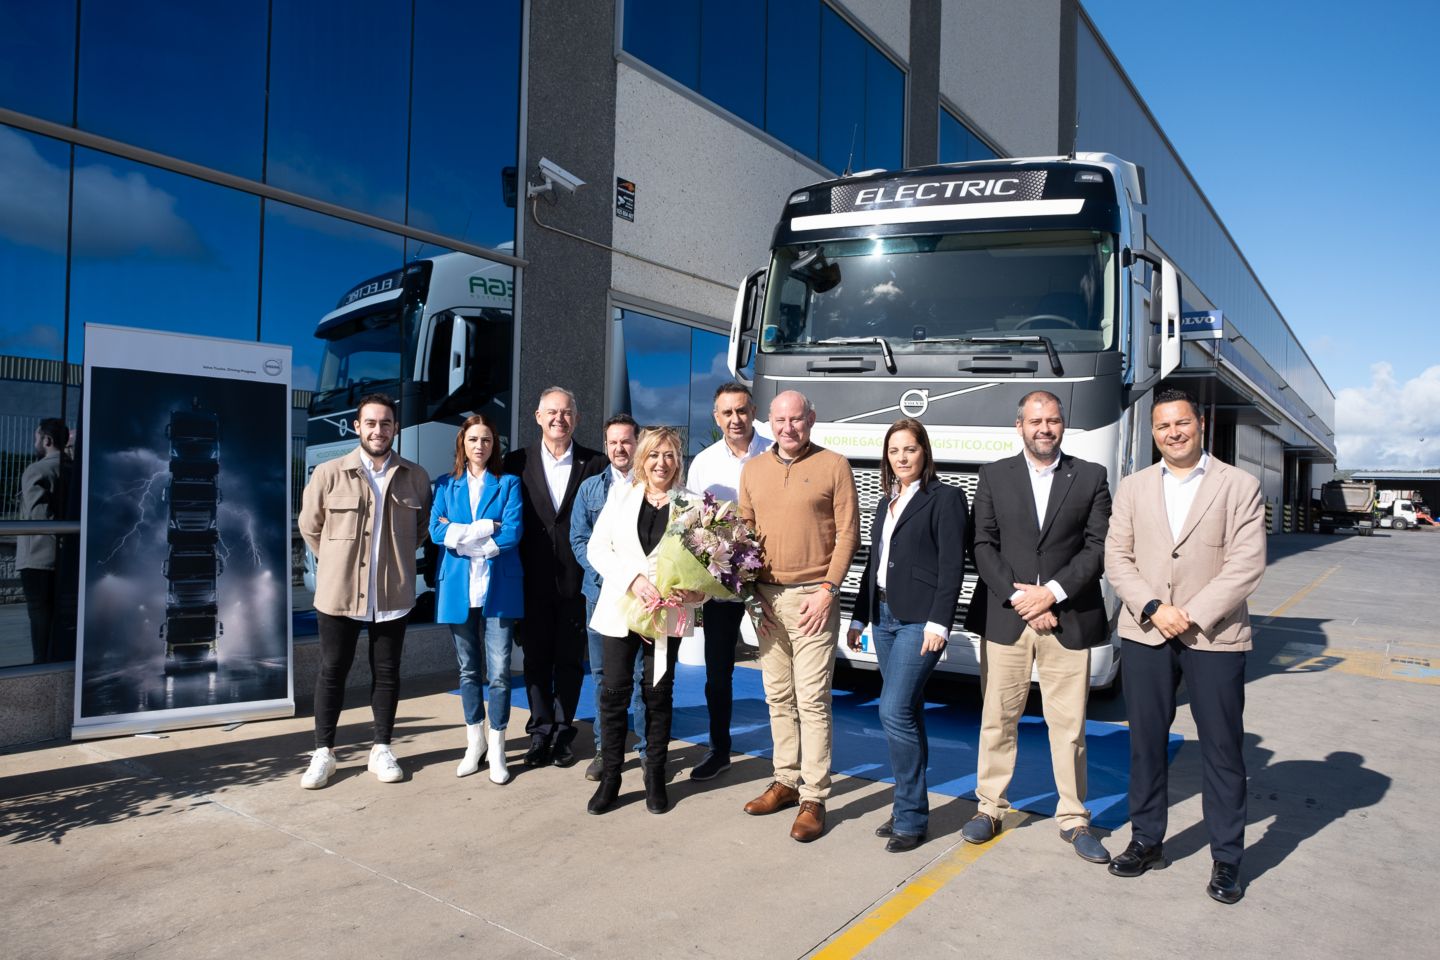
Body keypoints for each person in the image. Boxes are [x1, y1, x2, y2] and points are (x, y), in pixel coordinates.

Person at [1103, 387, 1266, 904]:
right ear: (1153, 433)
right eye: (1162, 426)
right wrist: (1154, 608)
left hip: (1214, 636)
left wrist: (1188, 614)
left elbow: (1246, 565)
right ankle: (1146, 840)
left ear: (1200, 424)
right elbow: (1117, 558)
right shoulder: (1133, 487)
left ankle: (1227, 858)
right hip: (1146, 631)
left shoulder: (1239, 485)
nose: (1173, 433)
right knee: (1146, 743)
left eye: (1181, 423)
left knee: (1222, 749)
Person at [961, 391, 1113, 864]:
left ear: (1062, 424)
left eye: (1052, 420)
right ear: (1019, 426)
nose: (1044, 428)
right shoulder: (994, 475)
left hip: (1068, 618)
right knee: (997, 718)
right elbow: (982, 544)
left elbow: (1098, 547)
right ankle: (990, 807)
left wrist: (1053, 593)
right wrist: (1023, 598)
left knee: (1068, 726)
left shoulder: (1091, 476)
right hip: (1007, 617)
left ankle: (1074, 817)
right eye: (1035, 421)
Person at [738, 390, 859, 842]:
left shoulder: (835, 465)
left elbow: (848, 534)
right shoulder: (752, 470)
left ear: (811, 418)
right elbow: (743, 537)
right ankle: (785, 781)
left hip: (813, 599)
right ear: (769, 422)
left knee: (812, 700)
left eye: (796, 419)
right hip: (765, 600)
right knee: (778, 697)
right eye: (780, 420)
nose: (788, 428)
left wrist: (828, 590)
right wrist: (751, 596)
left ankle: (814, 796)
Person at [298, 393, 432, 789]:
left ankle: (381, 749)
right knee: (332, 671)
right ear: (357, 427)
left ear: (395, 429)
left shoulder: (415, 476)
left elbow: (421, 530)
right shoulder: (329, 473)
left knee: (387, 672)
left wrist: (396, 559)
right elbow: (309, 526)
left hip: (392, 594)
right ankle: (324, 752)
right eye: (370, 423)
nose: (378, 430)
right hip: (339, 594)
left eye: (385, 423)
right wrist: (335, 563)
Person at [847, 419, 966, 852]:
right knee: (909, 713)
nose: (902, 457)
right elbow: (874, 562)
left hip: (920, 620)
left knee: (893, 710)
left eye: (910, 449)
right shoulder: (886, 502)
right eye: (894, 450)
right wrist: (858, 618)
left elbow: (952, 564)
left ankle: (911, 817)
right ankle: (906, 809)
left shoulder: (945, 498)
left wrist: (940, 622)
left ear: (924, 452)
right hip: (882, 617)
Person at [583, 427, 704, 815]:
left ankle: (654, 775)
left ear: (678, 461)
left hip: (668, 612)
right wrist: (632, 580)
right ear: (642, 459)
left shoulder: (692, 505)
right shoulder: (621, 497)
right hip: (622, 608)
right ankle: (612, 777)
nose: (661, 463)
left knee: (658, 694)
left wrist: (695, 593)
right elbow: (596, 548)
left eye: (669, 455)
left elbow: (705, 568)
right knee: (614, 693)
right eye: (653, 455)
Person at [503, 386, 607, 767]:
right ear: (538, 417)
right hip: (530, 580)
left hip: (577, 581)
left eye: (566, 413)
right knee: (535, 660)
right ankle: (540, 731)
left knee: (569, 660)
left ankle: (563, 732)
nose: (558, 419)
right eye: (552, 412)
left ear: (576, 419)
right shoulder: (515, 462)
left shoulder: (595, 463)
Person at [430, 413, 524, 785]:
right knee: (468, 670)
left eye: (486, 439)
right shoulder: (445, 484)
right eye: (473, 439)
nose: (479, 445)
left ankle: (498, 747)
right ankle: (475, 743)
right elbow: (435, 531)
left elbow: (512, 532)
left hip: (497, 587)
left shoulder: (509, 483)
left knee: (499, 673)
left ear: (493, 445)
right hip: (458, 587)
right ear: (462, 444)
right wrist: (486, 528)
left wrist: (463, 536)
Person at [684, 381, 770, 782]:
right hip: (722, 583)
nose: (735, 419)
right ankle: (719, 750)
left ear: (753, 412)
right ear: (716, 418)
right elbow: (690, 523)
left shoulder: (775, 451)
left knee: (780, 668)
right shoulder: (703, 463)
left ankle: (793, 757)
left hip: (770, 578)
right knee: (718, 673)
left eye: (741, 410)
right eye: (727, 413)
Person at [570, 413, 648, 781]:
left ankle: (647, 750)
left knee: (644, 676)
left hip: (646, 598)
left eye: (626, 441)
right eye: (613, 442)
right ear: (606, 446)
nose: (620, 448)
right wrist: (615, 576)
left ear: (637, 443)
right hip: (601, 595)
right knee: (604, 677)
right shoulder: (590, 489)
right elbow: (579, 540)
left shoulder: (653, 487)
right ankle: (606, 750)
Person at [16, 418, 70, 665]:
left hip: (38, 559)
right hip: (67, 559)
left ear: (47, 440)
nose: (35, 442)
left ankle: (41, 673)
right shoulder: (74, 470)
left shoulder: (37, 470)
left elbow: (40, 517)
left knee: (40, 623)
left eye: (37, 437)